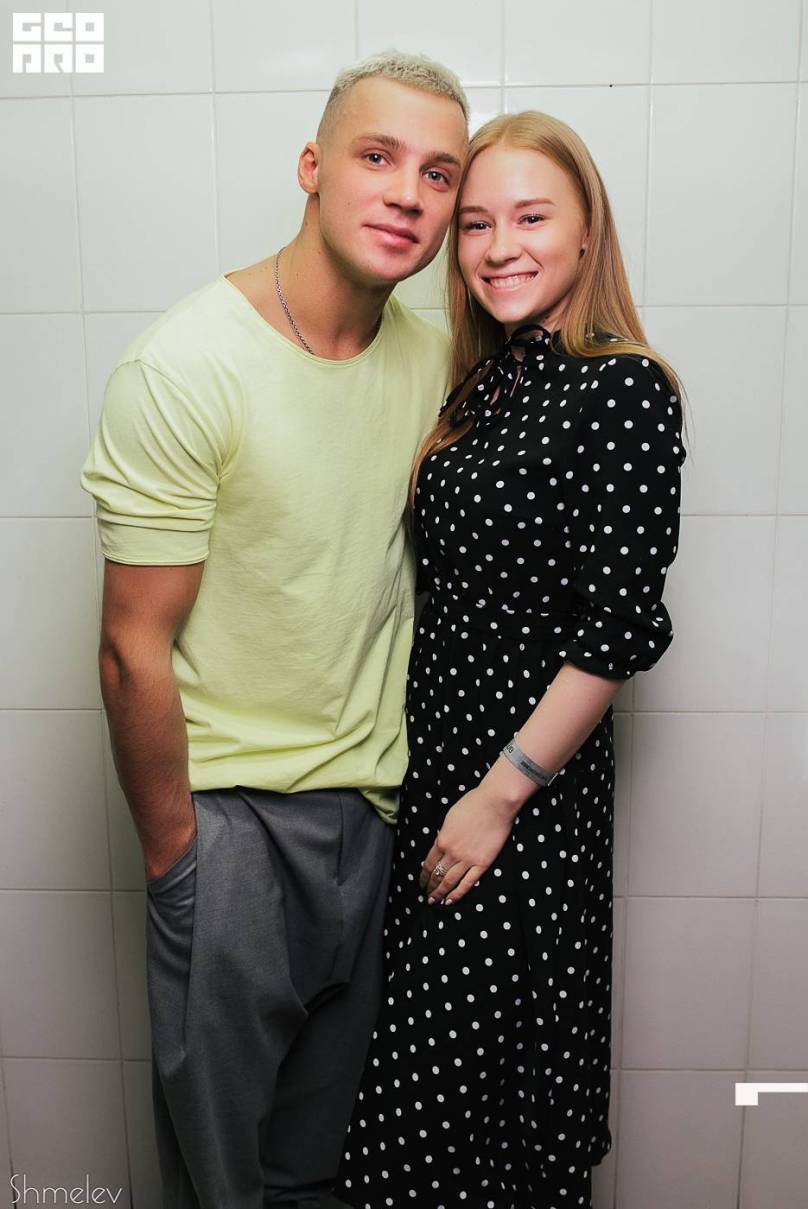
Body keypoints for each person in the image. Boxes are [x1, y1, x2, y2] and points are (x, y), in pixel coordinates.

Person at [79, 52, 469, 1209]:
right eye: (377, 156)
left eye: (438, 173)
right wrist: (181, 864)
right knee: (225, 1183)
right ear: (311, 166)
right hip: (231, 821)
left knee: (324, 1173)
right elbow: (130, 649)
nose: (407, 193)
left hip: (377, 814)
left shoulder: (438, 364)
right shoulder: (185, 365)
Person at [336, 111, 687, 1209]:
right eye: (477, 224)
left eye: (531, 218)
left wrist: (498, 798)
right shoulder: (487, 384)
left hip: (519, 807)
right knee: (423, 1118)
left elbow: (615, 633)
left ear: (587, 232)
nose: (498, 248)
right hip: (440, 784)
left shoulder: (622, 387)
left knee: (474, 1126)